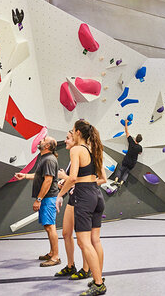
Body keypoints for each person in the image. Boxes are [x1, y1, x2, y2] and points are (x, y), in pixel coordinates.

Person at [56, 120, 107, 296]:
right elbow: (100, 176)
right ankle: (98, 277)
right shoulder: (94, 149)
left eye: (72, 131)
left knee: (83, 242)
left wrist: (59, 195)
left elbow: (72, 178)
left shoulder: (78, 150)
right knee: (95, 241)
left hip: (84, 196)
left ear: (78, 132)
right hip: (96, 195)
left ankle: (99, 284)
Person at [14, 136, 61, 267]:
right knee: (48, 226)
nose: (40, 140)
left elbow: (48, 180)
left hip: (48, 198)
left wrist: (39, 200)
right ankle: (52, 253)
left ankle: (56, 257)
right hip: (47, 198)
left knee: (50, 226)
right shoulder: (44, 158)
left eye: (44, 140)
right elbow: (39, 175)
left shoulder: (49, 160)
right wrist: (24, 176)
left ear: (47, 146)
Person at [112, 120, 142, 187]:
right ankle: (121, 183)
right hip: (132, 162)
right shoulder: (140, 147)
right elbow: (140, 153)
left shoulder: (131, 141)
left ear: (136, 138)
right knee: (126, 172)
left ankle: (116, 180)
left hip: (126, 159)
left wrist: (126, 123)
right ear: (140, 141)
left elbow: (127, 132)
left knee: (120, 169)